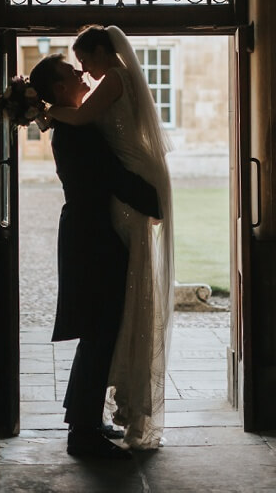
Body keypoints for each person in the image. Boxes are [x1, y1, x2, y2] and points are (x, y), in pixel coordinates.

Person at [44, 25, 175, 450]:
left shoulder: (77, 124)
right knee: (100, 331)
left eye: (84, 63)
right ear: (59, 89)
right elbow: (110, 177)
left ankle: (82, 420)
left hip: (88, 232)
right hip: (92, 237)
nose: (84, 74)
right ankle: (82, 430)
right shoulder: (78, 129)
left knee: (98, 332)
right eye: (74, 71)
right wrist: (152, 200)